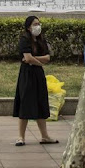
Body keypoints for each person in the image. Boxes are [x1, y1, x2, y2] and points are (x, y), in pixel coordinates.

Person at [13, 16, 58, 146]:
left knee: (40, 102)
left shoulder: (41, 40)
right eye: (35, 24)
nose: (38, 26)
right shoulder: (24, 40)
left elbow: (47, 58)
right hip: (27, 74)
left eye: (39, 23)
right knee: (25, 103)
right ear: (28, 27)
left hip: (38, 73)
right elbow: (27, 58)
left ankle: (45, 136)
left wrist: (34, 60)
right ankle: (21, 137)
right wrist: (37, 60)